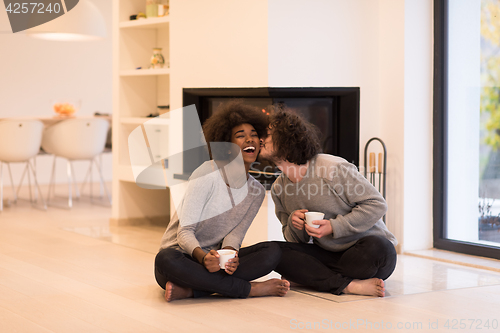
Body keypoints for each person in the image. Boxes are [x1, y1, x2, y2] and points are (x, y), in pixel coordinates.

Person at [154, 100, 290, 302]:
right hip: (185, 258)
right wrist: (202, 257)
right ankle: (248, 290)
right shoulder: (206, 173)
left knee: (272, 252)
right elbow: (184, 232)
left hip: (217, 263)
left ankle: (194, 291)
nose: (249, 140)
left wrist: (230, 257)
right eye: (240, 136)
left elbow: (234, 237)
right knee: (164, 259)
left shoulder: (256, 191)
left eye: (253, 134)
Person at [259, 107, 397, 297]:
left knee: (379, 248)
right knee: (276, 252)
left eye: (267, 135)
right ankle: (349, 285)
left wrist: (333, 227)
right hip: (329, 254)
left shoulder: (332, 168)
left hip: (366, 252)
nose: (260, 139)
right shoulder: (279, 188)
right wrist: (294, 223)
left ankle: (312, 277)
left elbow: (377, 204)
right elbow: (295, 241)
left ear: (286, 140)